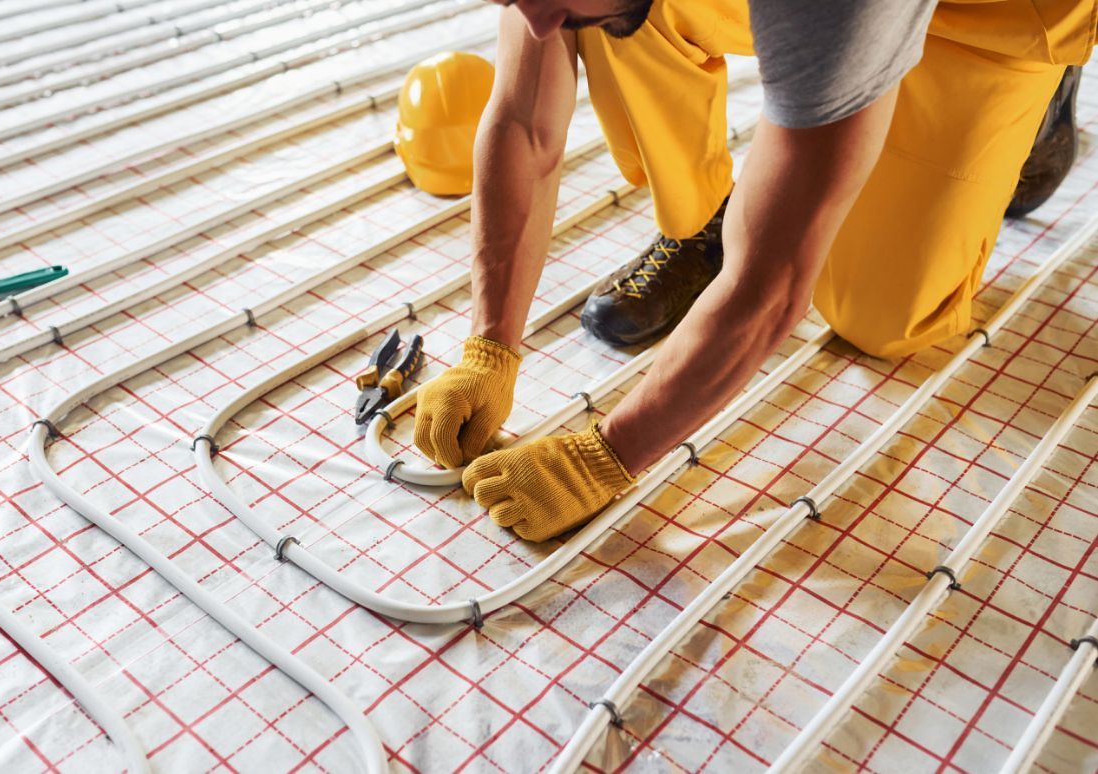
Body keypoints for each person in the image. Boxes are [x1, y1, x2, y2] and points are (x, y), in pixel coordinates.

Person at [414, 0, 1095, 542]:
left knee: (882, 319)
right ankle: (705, 217)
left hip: (991, 17)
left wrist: (605, 457)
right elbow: (523, 120)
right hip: (840, 23)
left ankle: (1032, 114)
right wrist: (490, 344)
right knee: (602, 17)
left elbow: (773, 282)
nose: (526, 19)